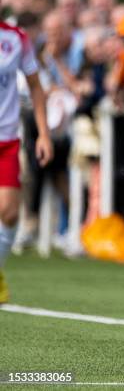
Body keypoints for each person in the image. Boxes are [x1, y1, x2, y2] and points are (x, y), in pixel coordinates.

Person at [0, 20, 53, 303]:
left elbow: (35, 87)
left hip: (7, 140)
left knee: (8, 213)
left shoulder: (16, 38)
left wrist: (44, 134)